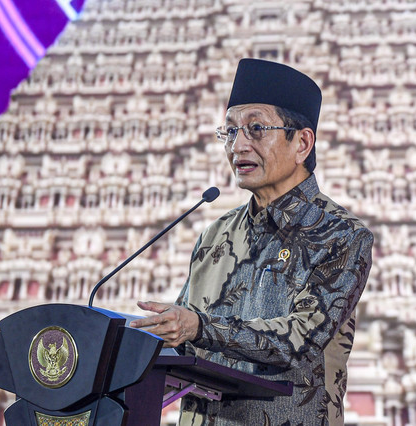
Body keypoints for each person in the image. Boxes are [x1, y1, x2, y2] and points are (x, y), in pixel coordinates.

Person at [131, 58, 374, 425]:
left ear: (302, 143)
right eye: (229, 132)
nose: (237, 145)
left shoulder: (342, 235)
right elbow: (183, 342)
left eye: (256, 129)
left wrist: (199, 326)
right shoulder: (214, 236)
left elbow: (299, 343)